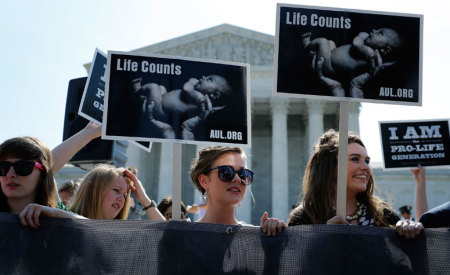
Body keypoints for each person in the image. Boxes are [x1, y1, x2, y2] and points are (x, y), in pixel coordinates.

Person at [287, 130, 423, 238]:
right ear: (330, 168)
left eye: (367, 161)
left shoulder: (383, 216)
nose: (366, 167)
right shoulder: (304, 218)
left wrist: (409, 231)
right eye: (355, 159)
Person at [0, 122, 101, 215]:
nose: (10, 174)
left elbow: (88, 228)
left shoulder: (56, 216)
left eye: (23, 167)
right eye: (2, 167)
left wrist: (59, 215)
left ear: (43, 173)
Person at [18, 164, 166, 228]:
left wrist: (145, 200)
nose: (122, 199)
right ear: (94, 190)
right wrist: (88, 134)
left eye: (125, 194)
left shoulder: (120, 233)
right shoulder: (61, 216)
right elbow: (46, 167)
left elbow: (172, 235)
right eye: (116, 190)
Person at [190, 145, 286, 236]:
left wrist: (270, 240)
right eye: (226, 172)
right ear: (204, 181)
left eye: (243, 174)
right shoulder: (186, 236)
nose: (238, 179)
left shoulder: (254, 237)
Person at [303, 28, 403, 97]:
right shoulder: (370, 54)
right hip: (330, 55)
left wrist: (361, 36)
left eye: (380, 33)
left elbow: (356, 43)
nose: (374, 30)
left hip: (329, 66)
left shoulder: (370, 53)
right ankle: (312, 53)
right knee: (331, 43)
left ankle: (307, 45)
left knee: (323, 42)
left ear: (386, 50)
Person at [134, 75, 232, 140]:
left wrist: (191, 82)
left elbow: (186, 88)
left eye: (210, 79)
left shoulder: (199, 97)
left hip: (160, 109)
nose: (203, 77)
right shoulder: (200, 100)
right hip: (161, 101)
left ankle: (137, 90)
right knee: (162, 88)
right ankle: (143, 97)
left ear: (215, 96)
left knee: (154, 87)